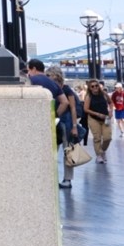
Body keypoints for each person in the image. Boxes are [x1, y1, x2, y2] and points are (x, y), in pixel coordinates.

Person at [28, 59, 73, 188]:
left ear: (34, 69)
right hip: (54, 122)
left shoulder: (31, 81)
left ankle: (45, 178)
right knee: (64, 150)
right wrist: (54, 115)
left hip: (36, 121)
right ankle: (64, 179)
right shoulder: (54, 85)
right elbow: (65, 102)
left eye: (29, 70)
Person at [83, 79, 113, 163]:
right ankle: (99, 155)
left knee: (108, 137)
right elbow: (85, 109)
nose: (95, 87)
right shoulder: (89, 97)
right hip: (93, 118)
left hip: (105, 118)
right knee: (97, 138)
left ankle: (102, 151)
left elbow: (110, 103)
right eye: (92, 86)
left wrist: (111, 111)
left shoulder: (104, 94)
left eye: (96, 85)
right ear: (90, 88)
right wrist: (97, 114)